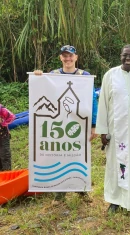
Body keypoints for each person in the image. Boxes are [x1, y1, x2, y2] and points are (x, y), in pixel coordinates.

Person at [34, 44, 98, 204]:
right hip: (59, 124)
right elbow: (41, 91)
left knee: (78, 156)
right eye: (65, 55)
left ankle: (82, 190)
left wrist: (93, 124)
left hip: (79, 123)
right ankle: (59, 194)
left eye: (71, 55)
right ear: (60, 58)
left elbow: (92, 101)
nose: (68, 58)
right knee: (59, 156)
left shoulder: (85, 76)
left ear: (76, 57)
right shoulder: (53, 75)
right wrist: (38, 77)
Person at [95, 44, 130, 213]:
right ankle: (114, 200)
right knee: (115, 164)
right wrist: (103, 130)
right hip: (115, 130)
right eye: (125, 55)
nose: (128, 58)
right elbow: (103, 103)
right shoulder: (110, 75)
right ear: (120, 56)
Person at [0, 105, 15, 171]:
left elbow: (11, 116)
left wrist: (3, 124)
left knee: (5, 155)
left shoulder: (1, 109)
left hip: (3, 136)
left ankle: (7, 174)